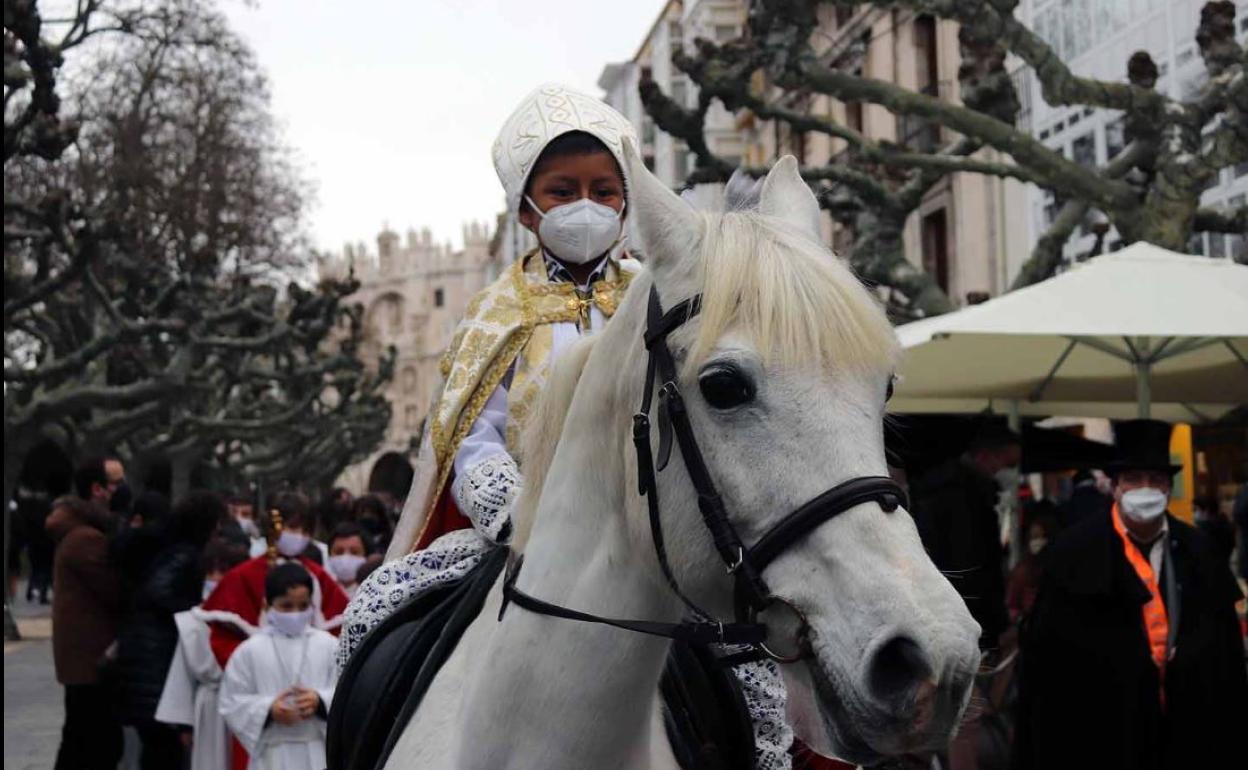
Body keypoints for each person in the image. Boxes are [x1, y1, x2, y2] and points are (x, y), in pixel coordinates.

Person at [343, 83, 639, 664]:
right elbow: (471, 433)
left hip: (650, 528)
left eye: (604, 191)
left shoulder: (652, 295)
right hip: (523, 537)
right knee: (380, 628)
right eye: (562, 191)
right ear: (527, 208)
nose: (586, 205)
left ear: (627, 200)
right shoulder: (496, 311)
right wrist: (514, 513)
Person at [1013, 419, 1248, 770]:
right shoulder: (1074, 551)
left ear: (1169, 488)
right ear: (1116, 487)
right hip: (1104, 731)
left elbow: (1225, 653)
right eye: (1134, 479)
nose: (1145, 489)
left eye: (1155, 480)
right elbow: (1047, 664)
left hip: (1187, 731)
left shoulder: (1200, 550)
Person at [113, 491, 225, 769]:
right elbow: (159, 591)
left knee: (159, 747)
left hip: (145, 657)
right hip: (155, 660)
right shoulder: (183, 555)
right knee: (163, 747)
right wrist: (193, 611)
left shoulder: (169, 549)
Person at [218, 562, 337, 770]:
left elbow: (348, 693)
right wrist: (268, 709)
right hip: (272, 754)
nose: (295, 613)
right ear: (267, 605)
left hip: (318, 751)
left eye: (303, 606)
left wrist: (320, 701)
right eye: (286, 606)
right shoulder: (249, 651)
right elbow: (231, 702)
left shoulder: (329, 645)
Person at [156, 537, 251, 770]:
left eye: (224, 571)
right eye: (211, 572)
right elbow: (182, 676)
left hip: (247, 705)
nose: (216, 579)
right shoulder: (193, 621)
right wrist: (185, 725)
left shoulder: (253, 620)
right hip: (210, 707)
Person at [45, 495, 123, 770]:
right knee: (92, 735)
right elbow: (113, 588)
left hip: (79, 658)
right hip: (92, 656)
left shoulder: (70, 539)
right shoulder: (85, 540)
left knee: (78, 731)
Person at [1006, 513, 1056, 623]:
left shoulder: (1058, 569)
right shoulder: (1023, 570)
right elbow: (1012, 605)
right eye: (1033, 537)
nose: (1037, 542)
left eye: (1041, 537)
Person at [325, 522, 370, 597]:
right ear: (329, 555)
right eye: (339, 552)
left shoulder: (374, 594)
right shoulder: (321, 592)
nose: (346, 557)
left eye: (354, 552)